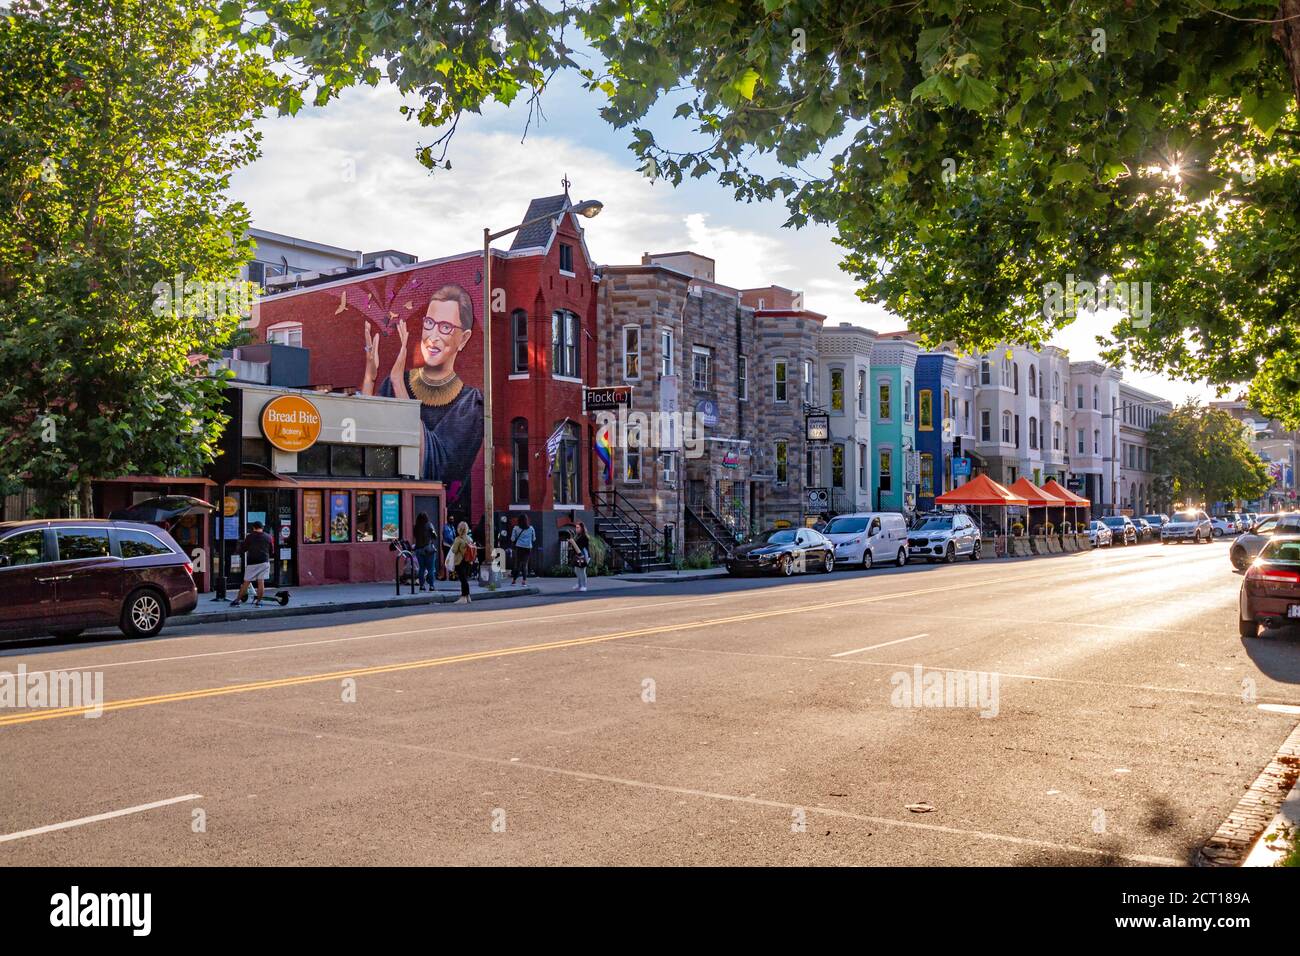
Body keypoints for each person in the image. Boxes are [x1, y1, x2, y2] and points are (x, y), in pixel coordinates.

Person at [361, 284, 484, 519]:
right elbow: (366, 435)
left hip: (435, 516)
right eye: (429, 323)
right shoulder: (393, 383)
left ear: (464, 339)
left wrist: (398, 383)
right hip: (384, 507)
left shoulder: (471, 404)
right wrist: (370, 377)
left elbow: (433, 466)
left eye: (446, 327)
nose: (433, 336)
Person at [231, 520, 275, 607]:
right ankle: (259, 602)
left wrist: (238, 551)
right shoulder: (268, 537)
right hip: (264, 562)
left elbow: (243, 549)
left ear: (253, 528)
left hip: (252, 563)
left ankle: (237, 600)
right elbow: (271, 551)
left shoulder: (249, 537)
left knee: (246, 583)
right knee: (261, 582)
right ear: (262, 528)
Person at [449, 521, 475, 604]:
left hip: (460, 562)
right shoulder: (469, 539)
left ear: (459, 529)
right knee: (465, 579)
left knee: (463, 580)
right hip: (468, 561)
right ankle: (468, 596)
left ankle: (463, 597)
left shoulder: (458, 539)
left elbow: (454, 550)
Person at [413, 512, 436, 592]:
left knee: (421, 568)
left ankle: (422, 586)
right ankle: (431, 586)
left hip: (419, 549)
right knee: (430, 569)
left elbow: (415, 536)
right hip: (428, 549)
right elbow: (435, 536)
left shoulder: (416, 527)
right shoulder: (429, 525)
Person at [510, 514, 535, 585]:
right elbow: (534, 539)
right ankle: (524, 581)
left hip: (519, 547)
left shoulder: (515, 528)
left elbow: (513, 539)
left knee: (517, 564)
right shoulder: (531, 528)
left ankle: (514, 580)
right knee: (525, 564)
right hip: (528, 548)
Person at [569, 521, 590, 592]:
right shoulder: (578, 536)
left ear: (582, 528)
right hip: (578, 555)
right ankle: (579, 584)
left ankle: (584, 586)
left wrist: (573, 542)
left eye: (578, 527)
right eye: (576, 527)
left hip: (584, 555)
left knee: (582, 570)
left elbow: (581, 547)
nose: (576, 529)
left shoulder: (584, 537)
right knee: (576, 570)